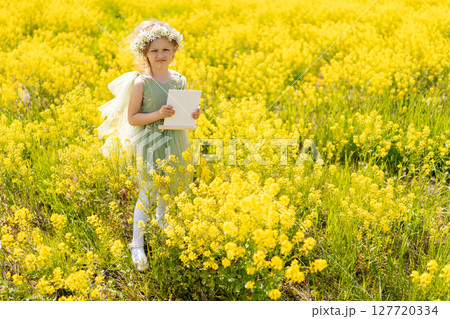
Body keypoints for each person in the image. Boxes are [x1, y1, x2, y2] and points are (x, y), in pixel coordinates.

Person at [97, 19, 201, 272]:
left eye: (166, 49)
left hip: (175, 138)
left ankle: (162, 221)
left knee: (171, 184)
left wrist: (191, 114)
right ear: (144, 53)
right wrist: (158, 114)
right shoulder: (140, 83)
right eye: (154, 50)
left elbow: (180, 113)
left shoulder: (179, 80)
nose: (160, 55)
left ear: (175, 50)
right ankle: (137, 244)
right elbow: (133, 118)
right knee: (148, 192)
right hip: (150, 142)